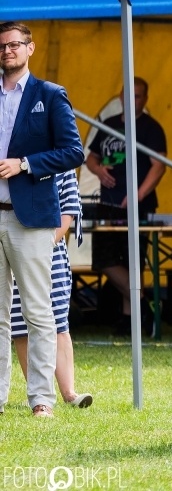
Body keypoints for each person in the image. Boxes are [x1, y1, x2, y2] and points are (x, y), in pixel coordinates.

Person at [0, 21, 85, 418]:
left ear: (30, 48)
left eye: (15, 45)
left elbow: (73, 152)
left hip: (31, 217)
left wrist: (25, 164)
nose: (7, 51)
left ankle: (41, 400)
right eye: (2, 46)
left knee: (38, 312)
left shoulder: (49, 95)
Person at [85, 76, 167, 336]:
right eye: (128, 95)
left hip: (138, 207)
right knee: (104, 260)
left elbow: (159, 165)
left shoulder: (151, 128)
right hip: (108, 203)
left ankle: (130, 318)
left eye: (138, 95)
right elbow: (90, 158)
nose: (132, 100)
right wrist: (98, 171)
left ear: (145, 99)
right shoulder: (108, 124)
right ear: (121, 97)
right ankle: (144, 303)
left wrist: (138, 194)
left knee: (132, 261)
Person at [9, 170, 92, 408]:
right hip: (13, 246)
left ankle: (69, 393)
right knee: (20, 323)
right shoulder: (12, 159)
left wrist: (45, 245)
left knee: (57, 321)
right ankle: (36, 395)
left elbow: (68, 209)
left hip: (49, 251)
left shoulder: (62, 163)